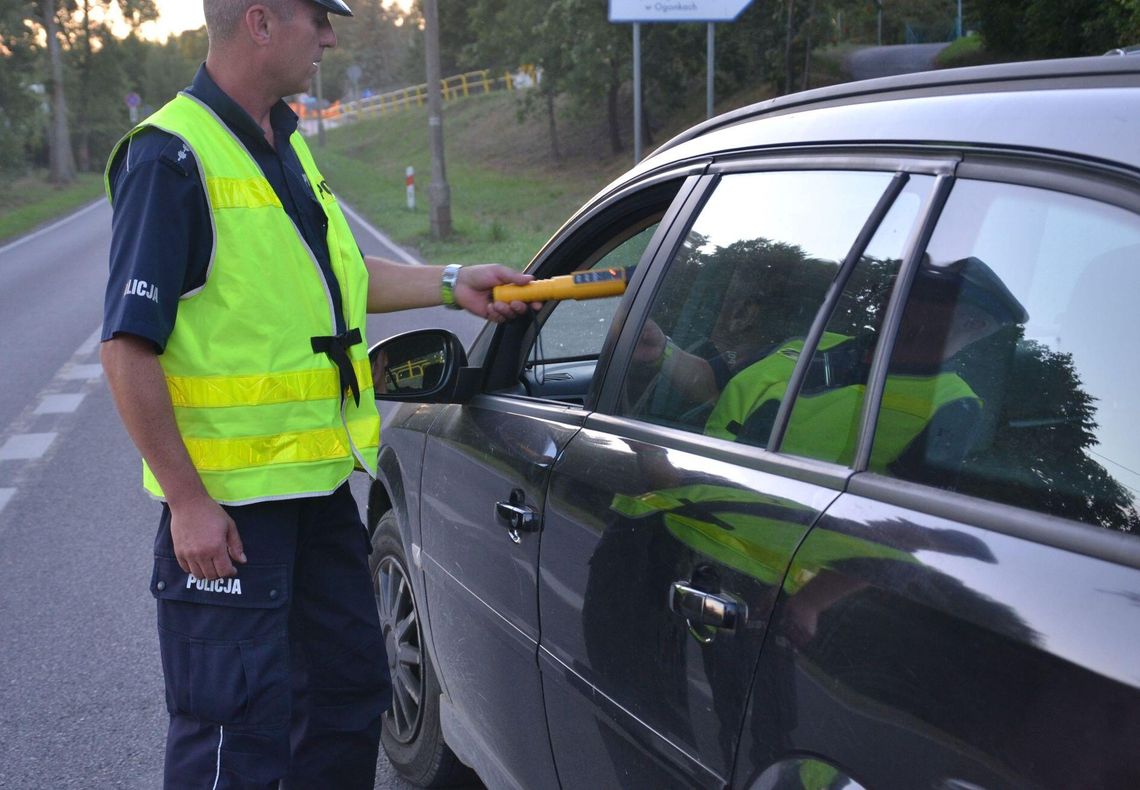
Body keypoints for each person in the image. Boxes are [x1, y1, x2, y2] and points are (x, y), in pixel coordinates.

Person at [99, 1, 535, 786]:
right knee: (234, 734)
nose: (332, 37)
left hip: (319, 491)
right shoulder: (172, 158)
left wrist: (449, 282)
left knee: (347, 694)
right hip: (231, 515)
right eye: (319, 19)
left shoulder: (283, 142)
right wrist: (188, 501)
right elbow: (127, 348)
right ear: (261, 22)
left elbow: (343, 283)